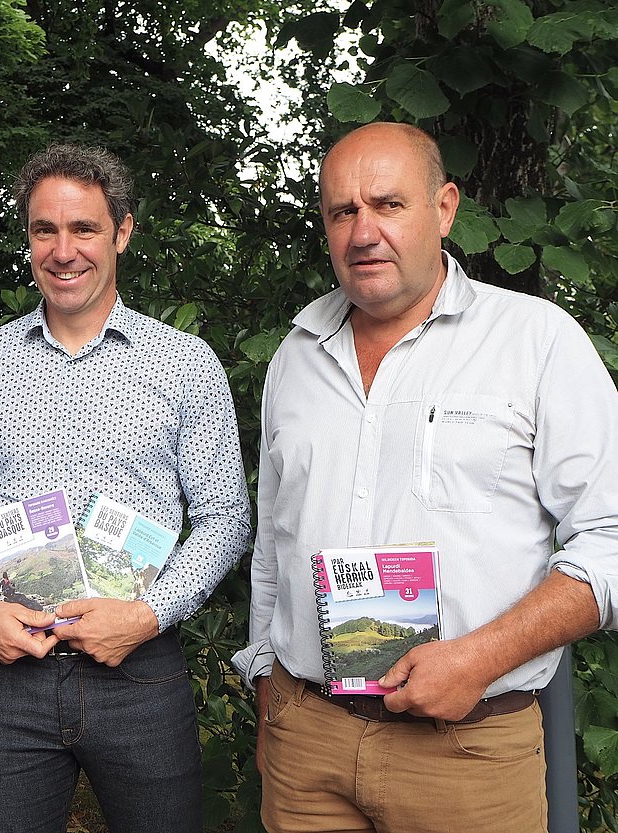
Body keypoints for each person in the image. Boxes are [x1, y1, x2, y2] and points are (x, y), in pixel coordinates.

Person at [233, 122, 618, 833]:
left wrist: (478, 657)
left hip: (467, 753)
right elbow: (273, 543)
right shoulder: (295, 354)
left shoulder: (536, 341)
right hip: (306, 743)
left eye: (387, 204)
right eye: (342, 211)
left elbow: (611, 538)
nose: (362, 231)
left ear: (444, 208)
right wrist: (269, 696)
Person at [0, 144, 251, 833]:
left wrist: (148, 615)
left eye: (83, 228)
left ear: (122, 231)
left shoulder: (184, 364)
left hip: (139, 671)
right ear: (27, 238)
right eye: (43, 230)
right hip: (9, 675)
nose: (63, 250)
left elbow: (226, 516)